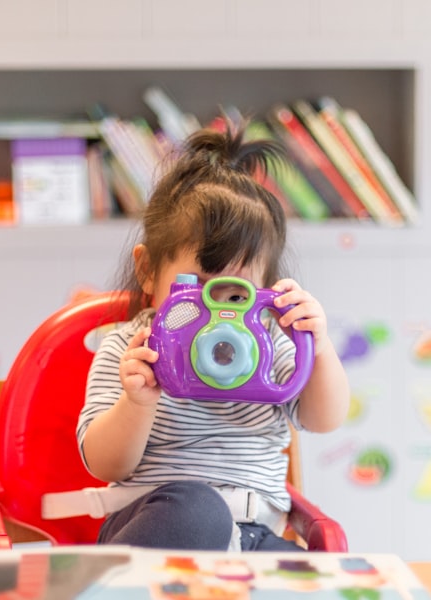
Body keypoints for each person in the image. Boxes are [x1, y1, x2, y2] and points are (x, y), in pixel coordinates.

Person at [77, 120, 350, 552]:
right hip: (161, 525)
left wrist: (317, 347)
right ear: (148, 270)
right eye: (198, 287)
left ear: (264, 289)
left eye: (234, 293)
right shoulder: (131, 349)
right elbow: (103, 462)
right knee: (198, 510)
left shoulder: (269, 345)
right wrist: (137, 403)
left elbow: (324, 418)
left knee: (312, 579)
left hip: (256, 534)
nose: (216, 312)